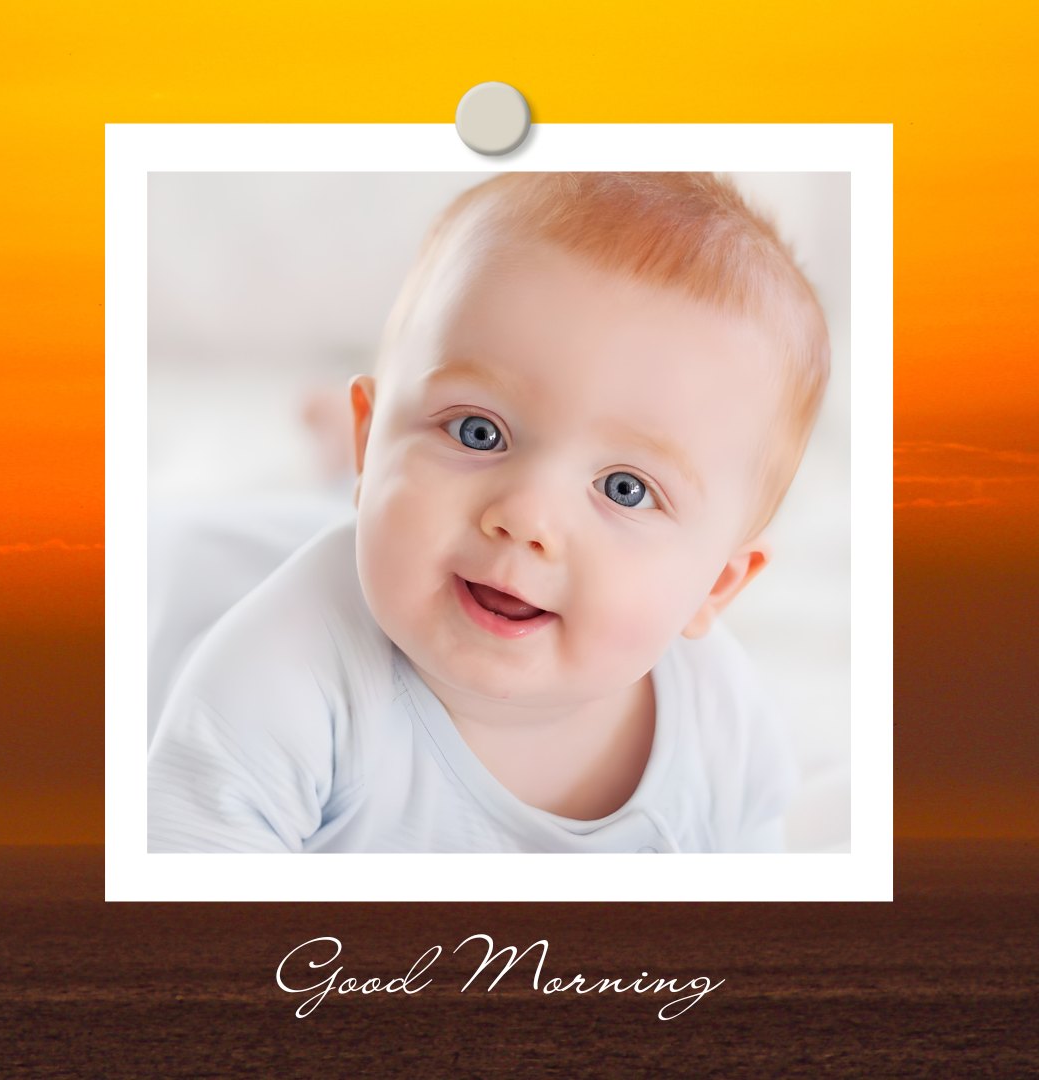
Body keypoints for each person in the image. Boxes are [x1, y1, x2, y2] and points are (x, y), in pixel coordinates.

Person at [147, 172, 830, 854]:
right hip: (194, 578)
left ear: (715, 585)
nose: (527, 516)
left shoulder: (722, 732)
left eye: (625, 488)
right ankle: (333, 465)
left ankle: (346, 457)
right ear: (372, 437)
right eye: (478, 430)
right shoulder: (287, 666)